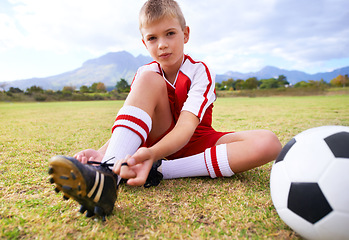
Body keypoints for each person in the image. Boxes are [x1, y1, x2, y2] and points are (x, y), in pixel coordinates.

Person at [48, 0, 282, 221]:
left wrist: (153, 156)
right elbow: (134, 122)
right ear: (144, 43)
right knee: (149, 79)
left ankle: (160, 170)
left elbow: (185, 128)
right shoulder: (145, 74)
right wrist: (101, 153)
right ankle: (108, 173)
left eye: (170, 33)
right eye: (152, 37)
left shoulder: (199, 71)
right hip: (152, 141)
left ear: (185, 34)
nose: (162, 44)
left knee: (268, 143)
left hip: (192, 142)